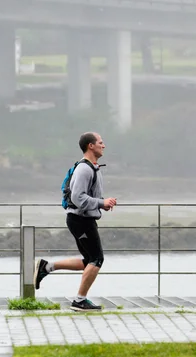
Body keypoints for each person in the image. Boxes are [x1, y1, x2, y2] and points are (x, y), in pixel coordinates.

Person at [33, 132, 118, 311]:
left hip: (84, 219)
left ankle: (46, 267)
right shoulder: (84, 169)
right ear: (90, 146)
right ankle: (79, 300)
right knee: (97, 259)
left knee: (89, 260)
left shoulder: (93, 168)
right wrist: (101, 203)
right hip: (80, 220)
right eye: (101, 143)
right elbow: (78, 198)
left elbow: (87, 197)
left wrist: (102, 204)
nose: (104, 146)